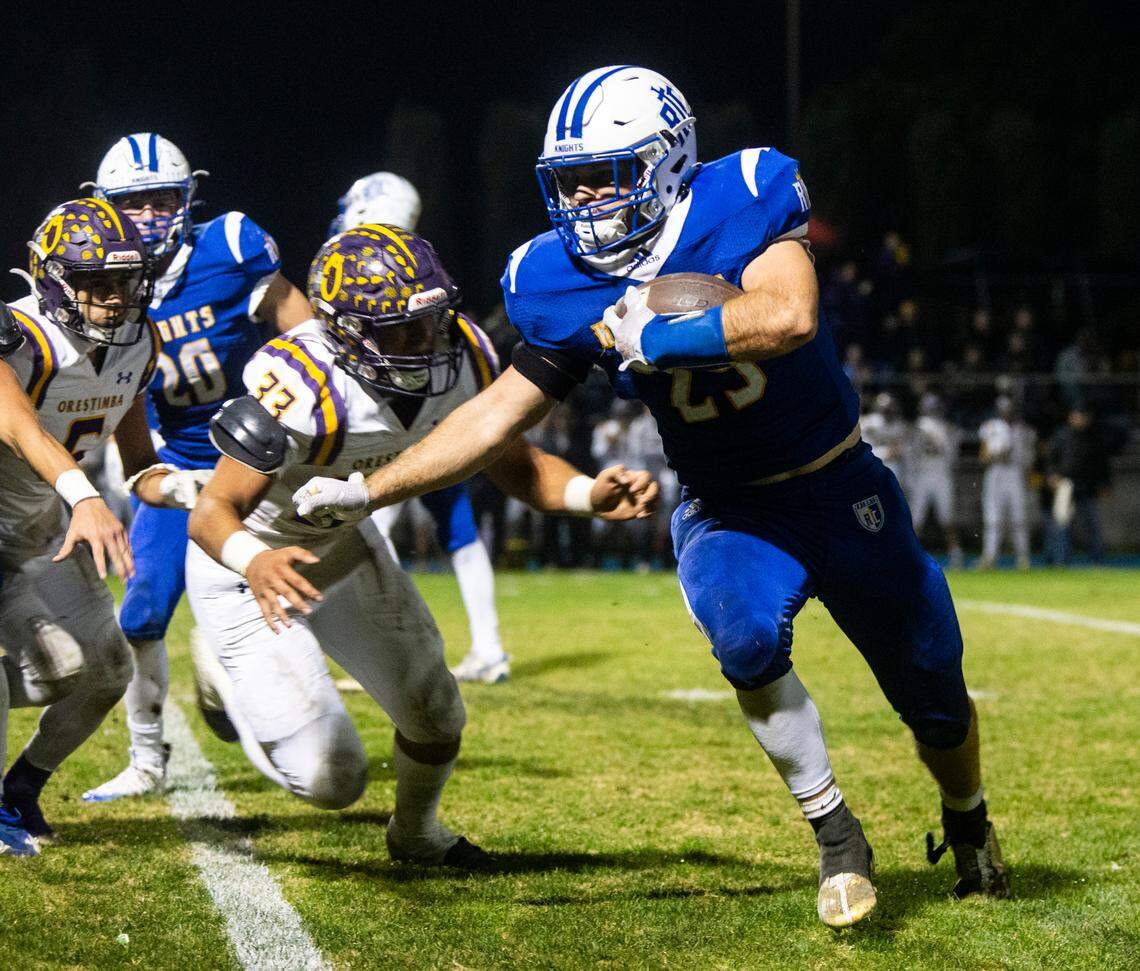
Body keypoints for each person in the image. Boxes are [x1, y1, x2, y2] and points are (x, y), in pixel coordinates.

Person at [289, 66, 1009, 925]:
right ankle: (836, 836)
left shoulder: (743, 195)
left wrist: (665, 335)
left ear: (669, 161)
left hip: (840, 481)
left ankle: (967, 820)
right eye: (571, 179)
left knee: (934, 691)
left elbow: (787, 316)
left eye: (608, 173)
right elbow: (492, 420)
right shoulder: (558, 277)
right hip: (727, 506)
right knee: (743, 635)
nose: (587, 197)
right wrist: (371, 488)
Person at [186, 225, 656, 867]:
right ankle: (220, 669)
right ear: (343, 329)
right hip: (247, 565)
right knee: (334, 778)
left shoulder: (462, 353)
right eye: (396, 329)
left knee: (435, 710)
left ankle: (416, 834)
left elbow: (510, 459)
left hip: (340, 549)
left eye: (429, 319)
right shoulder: (300, 381)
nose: (422, 340)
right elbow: (212, 511)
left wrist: (586, 496)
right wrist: (255, 560)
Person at [80, 134, 313, 803]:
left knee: (273, 608)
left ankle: (274, 715)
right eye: (134, 202)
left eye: (162, 199)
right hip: (179, 464)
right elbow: (116, 409)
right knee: (141, 613)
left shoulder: (232, 246)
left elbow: (310, 343)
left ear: (188, 199)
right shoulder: (105, 281)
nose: (150, 215)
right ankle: (147, 757)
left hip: (263, 462)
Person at [1, 200, 206, 853]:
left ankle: (21, 789)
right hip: (43, 508)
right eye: (97, 281)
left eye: (124, 281)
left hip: (35, 524)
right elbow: (16, 425)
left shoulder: (140, 344)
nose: (116, 298)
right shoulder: (19, 334)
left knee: (106, 667)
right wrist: (85, 496)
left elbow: (140, 463)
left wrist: (191, 490)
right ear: (54, 278)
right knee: (48, 665)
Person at [333, 173, 508, 683]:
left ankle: (378, 653)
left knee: (368, 524)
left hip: (392, 422)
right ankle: (490, 648)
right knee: (459, 534)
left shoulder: (364, 267)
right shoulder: (419, 262)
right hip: (433, 417)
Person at [1046, 407, 1110, 564]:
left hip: (1088, 486)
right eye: (1077, 416)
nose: (1079, 419)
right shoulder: (1061, 435)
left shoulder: (1094, 437)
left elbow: (1102, 463)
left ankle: (1097, 560)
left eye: (1082, 416)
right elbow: (1051, 458)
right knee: (1062, 524)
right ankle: (1061, 560)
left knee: (1092, 525)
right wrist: (1052, 474)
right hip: (1066, 484)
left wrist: (1105, 484)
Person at [978, 396, 1036, 570]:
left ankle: (1023, 557)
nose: (1006, 413)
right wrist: (995, 453)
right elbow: (983, 457)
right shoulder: (990, 427)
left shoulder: (1024, 430)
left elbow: (1030, 457)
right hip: (996, 472)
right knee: (992, 517)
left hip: (1015, 473)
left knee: (1019, 516)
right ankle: (989, 557)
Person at [907, 392, 963, 567]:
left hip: (938, 474)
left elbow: (952, 454)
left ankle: (955, 554)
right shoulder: (917, 427)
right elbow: (911, 454)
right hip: (926, 474)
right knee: (917, 519)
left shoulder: (946, 428)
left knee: (947, 518)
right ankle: (910, 554)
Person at [860, 391, 908, 483]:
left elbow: (903, 450)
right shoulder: (868, 424)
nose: (888, 411)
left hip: (895, 467)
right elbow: (864, 450)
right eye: (885, 408)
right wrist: (885, 452)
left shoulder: (900, 426)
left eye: (891, 407)